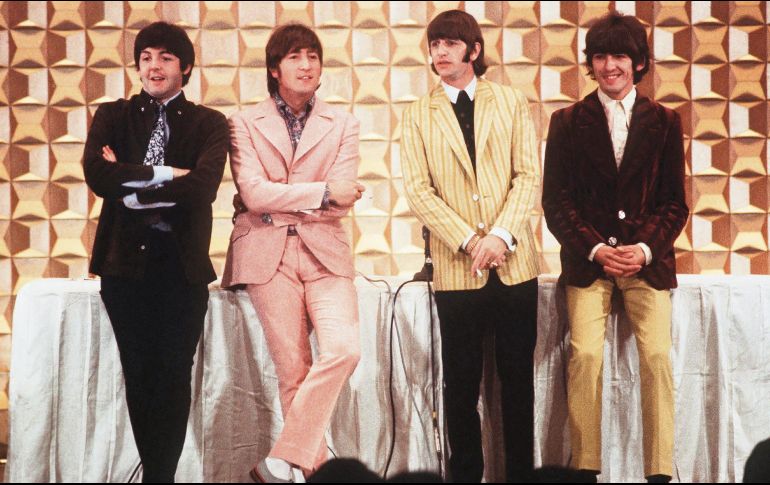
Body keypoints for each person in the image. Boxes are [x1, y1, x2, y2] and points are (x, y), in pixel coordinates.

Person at [542, 11, 688, 484]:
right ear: (590, 64)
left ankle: (659, 473)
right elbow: (556, 201)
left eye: (620, 56)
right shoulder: (566, 121)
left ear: (639, 62)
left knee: (658, 357)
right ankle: (585, 470)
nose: (610, 66)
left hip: (647, 263)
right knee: (585, 355)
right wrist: (595, 250)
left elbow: (675, 203)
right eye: (601, 56)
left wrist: (643, 249)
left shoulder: (666, 122)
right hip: (589, 264)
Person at [82, 21, 229, 482]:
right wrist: (167, 174)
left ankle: (159, 476)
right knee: (139, 374)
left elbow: (203, 187)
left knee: (173, 375)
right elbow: (97, 175)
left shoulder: (209, 123)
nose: (153, 66)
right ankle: (158, 476)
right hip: (123, 266)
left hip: (181, 268)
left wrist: (130, 187)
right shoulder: (113, 115)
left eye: (165, 57)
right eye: (145, 58)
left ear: (185, 66)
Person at [400, 9, 540, 482]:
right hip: (457, 268)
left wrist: (500, 235)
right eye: (435, 44)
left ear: (474, 50)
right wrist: (469, 240)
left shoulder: (511, 101)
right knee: (459, 387)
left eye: (451, 44)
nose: (440, 52)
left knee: (518, 383)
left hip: (515, 265)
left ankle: (520, 476)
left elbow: (527, 176)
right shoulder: (417, 114)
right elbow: (419, 191)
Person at [221, 23, 365, 483]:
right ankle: (308, 473)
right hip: (266, 252)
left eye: (313, 57)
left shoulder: (344, 124)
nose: (306, 65)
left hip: (325, 252)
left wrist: (290, 199)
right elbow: (254, 193)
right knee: (293, 371)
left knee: (344, 349)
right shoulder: (243, 123)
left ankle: (280, 461)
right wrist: (321, 193)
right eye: (295, 57)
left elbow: (342, 197)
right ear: (274, 68)